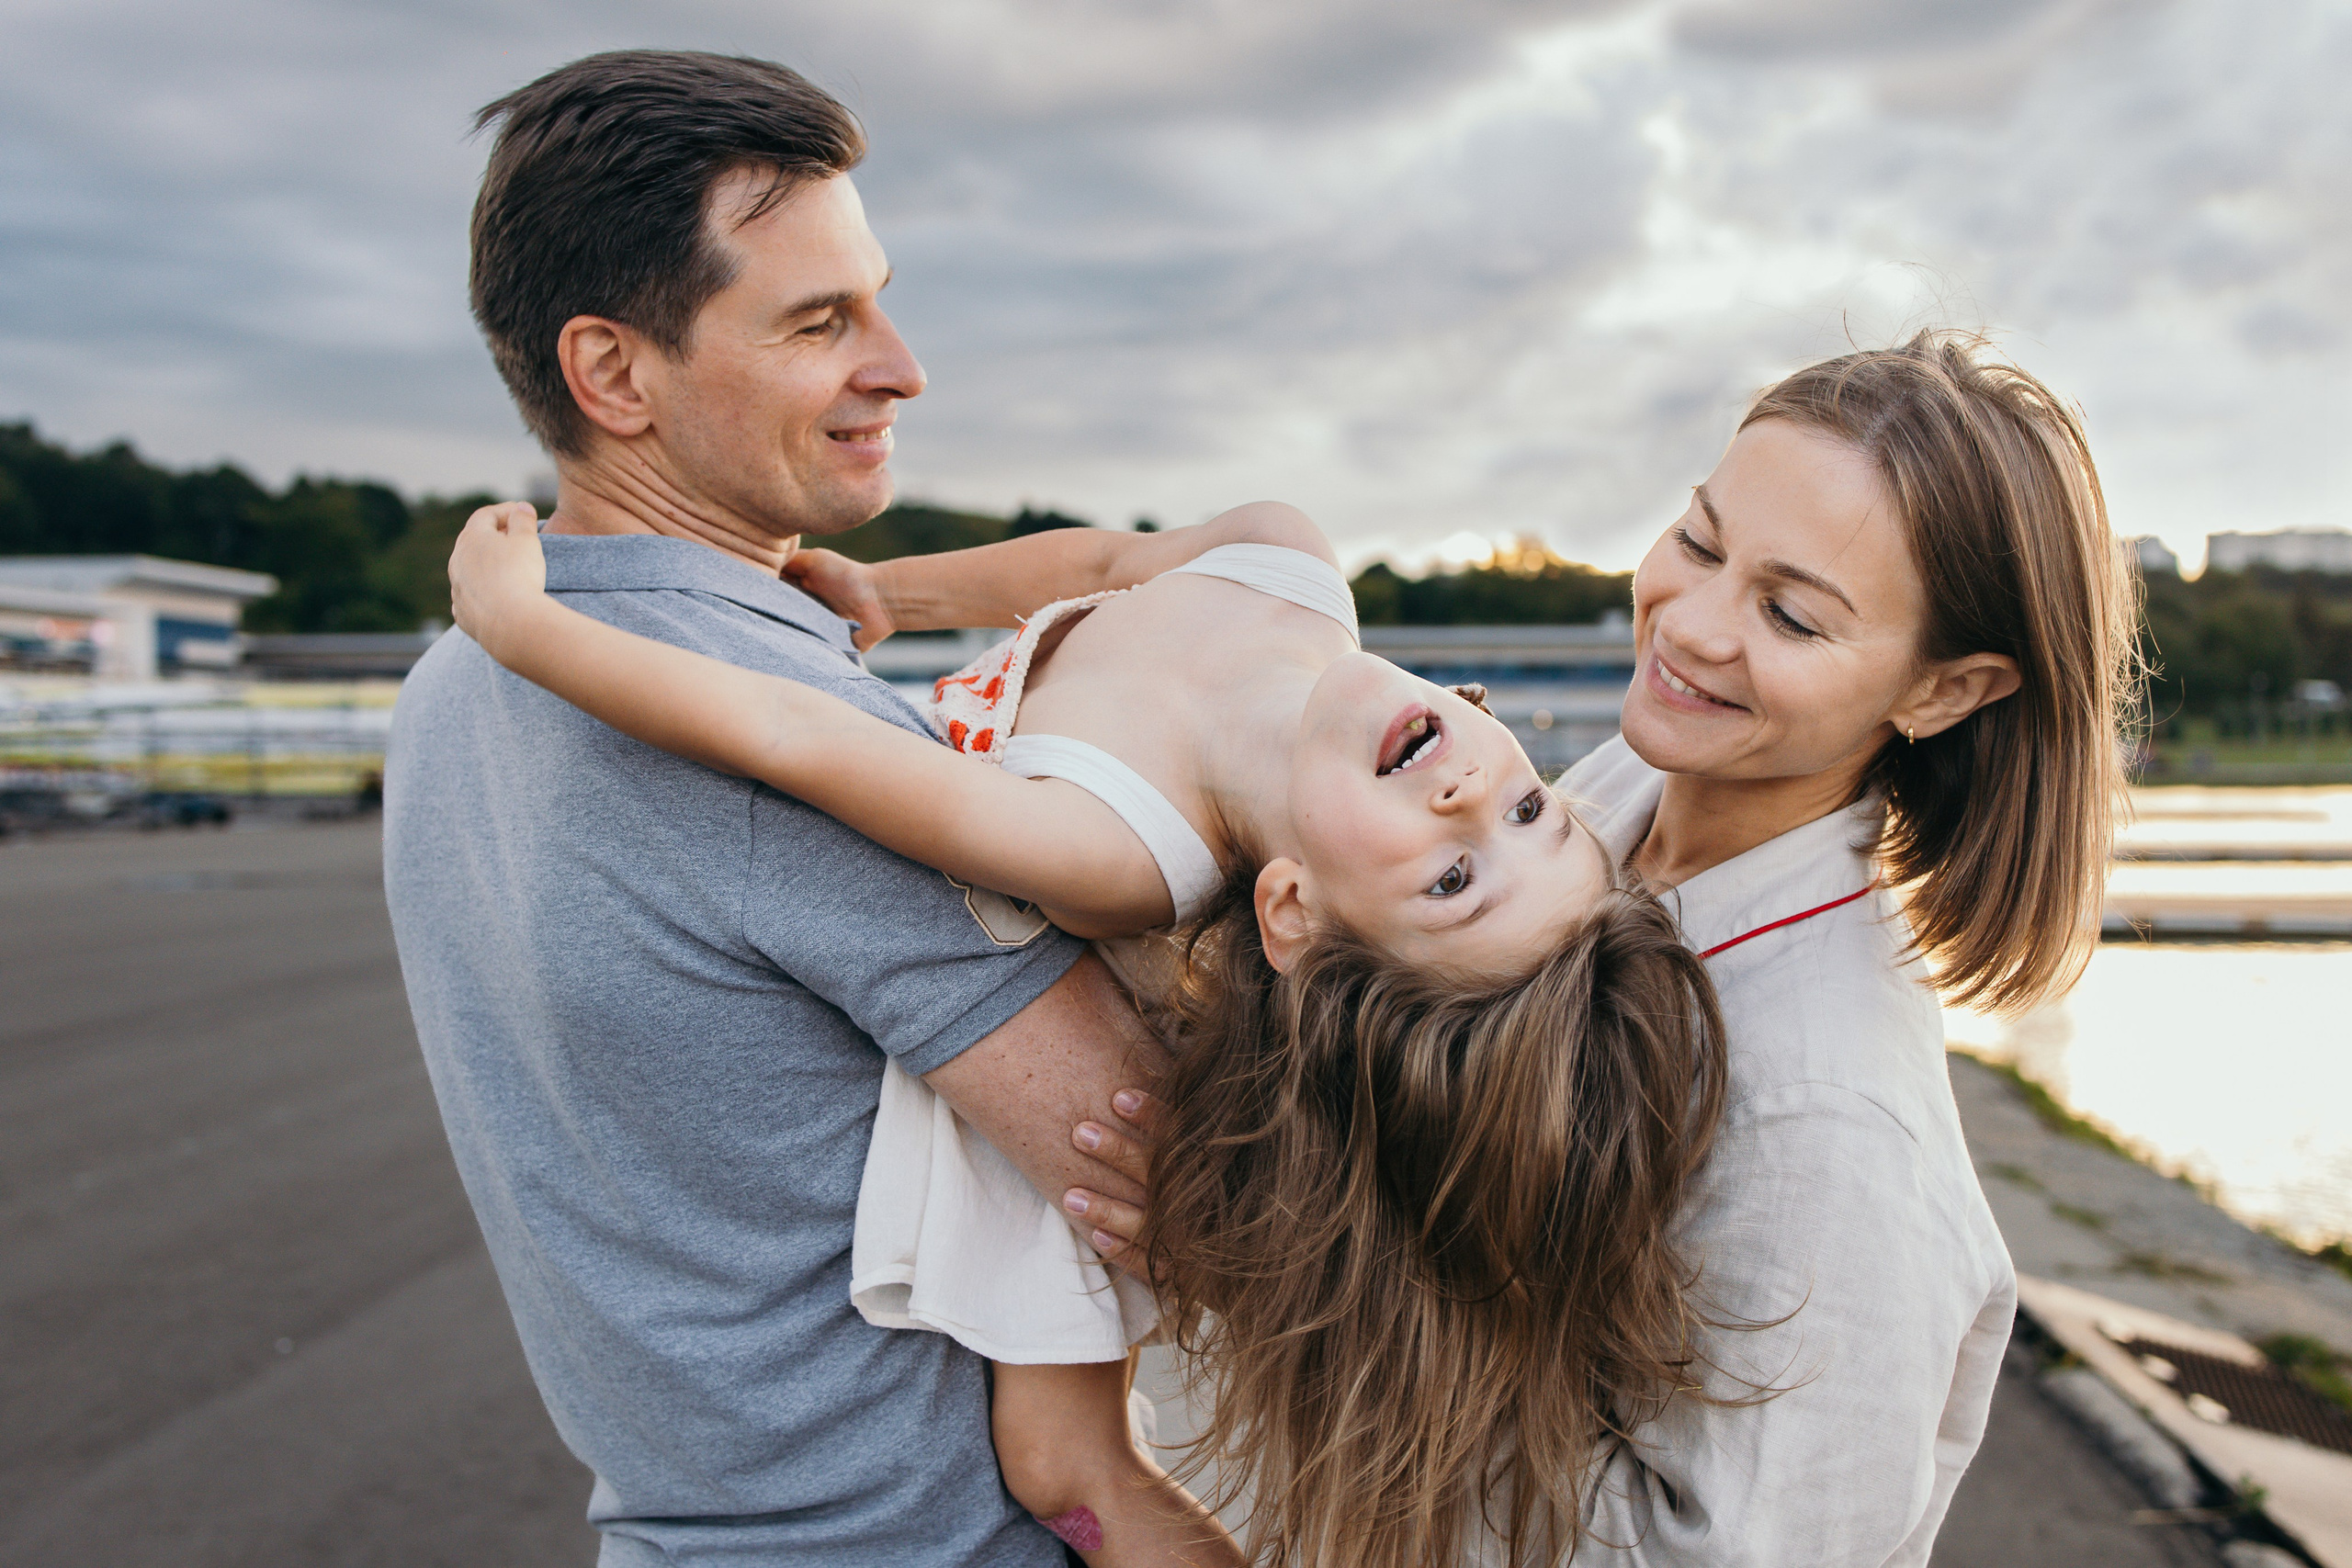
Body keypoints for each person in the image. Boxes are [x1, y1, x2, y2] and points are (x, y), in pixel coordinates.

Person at [447, 478, 1728, 1566]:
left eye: (1450, 884)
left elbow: (797, 736)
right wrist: (896, 590)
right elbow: (1102, 564)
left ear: (1293, 919)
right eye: (1529, 819)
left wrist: (523, 631)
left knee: (1063, 1456)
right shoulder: (1288, 557)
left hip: (1006, 1011)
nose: (1468, 792)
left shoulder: (1109, 854)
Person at [1080, 330, 2138, 1565]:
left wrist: (1291, 1265)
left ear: (1944, 691)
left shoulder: (1833, 1131)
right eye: (1698, 539)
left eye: (1790, 615)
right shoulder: (1629, 782)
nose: (1689, 625)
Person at [385, 51, 1165, 1568]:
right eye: (822, 322)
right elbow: (1175, 1179)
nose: (901, 365)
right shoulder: (772, 737)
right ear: (613, 375)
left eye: (874, 295)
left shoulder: (450, 688)